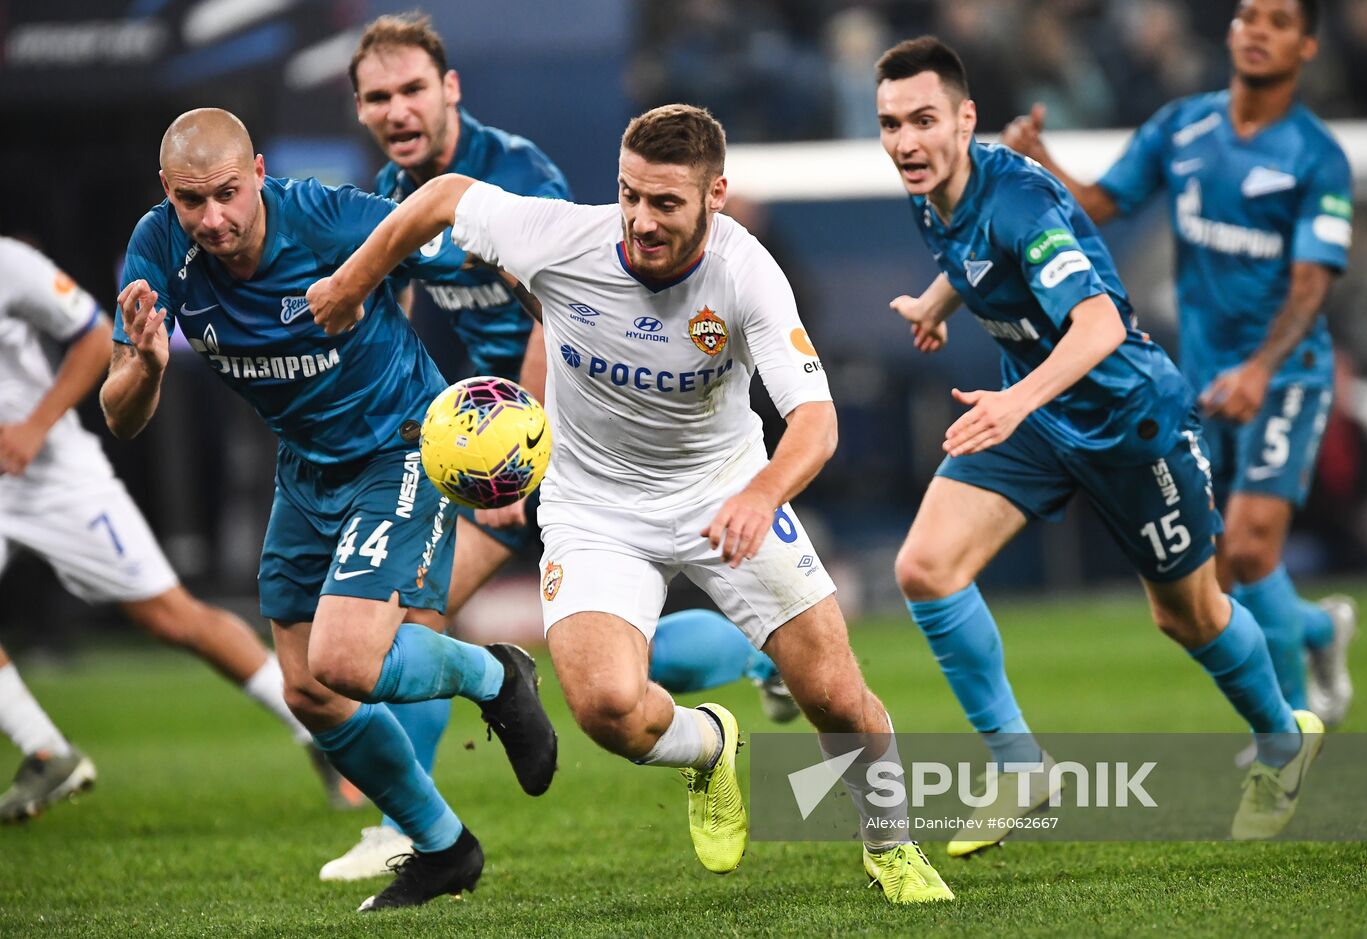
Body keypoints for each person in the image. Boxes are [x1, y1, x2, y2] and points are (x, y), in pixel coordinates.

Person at [309, 103, 954, 904]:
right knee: (608, 707)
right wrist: (352, 280)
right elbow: (441, 196)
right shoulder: (562, 236)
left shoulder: (746, 273)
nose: (641, 221)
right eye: (630, 196)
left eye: (666, 204)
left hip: (727, 495)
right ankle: (710, 746)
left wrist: (760, 494)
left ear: (715, 195)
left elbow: (817, 425)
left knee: (833, 694)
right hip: (594, 511)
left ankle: (888, 843)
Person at [319, 14, 797, 883]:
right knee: (594, 660)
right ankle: (762, 658)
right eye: (379, 96)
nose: (397, 110)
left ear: (450, 88)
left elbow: (561, 307)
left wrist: (523, 445)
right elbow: (409, 303)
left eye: (413, 90)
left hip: (542, 438)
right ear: (358, 107)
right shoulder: (393, 188)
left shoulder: (512, 175)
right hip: (476, 437)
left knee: (422, 618)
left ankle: (411, 824)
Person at [873, 35, 1323, 854]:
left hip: (1129, 419)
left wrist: (1014, 400)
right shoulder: (931, 188)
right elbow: (972, 256)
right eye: (891, 123)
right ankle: (1019, 764)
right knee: (925, 568)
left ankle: (1283, 739)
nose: (905, 141)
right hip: (1041, 417)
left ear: (966, 119)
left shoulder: (1019, 201)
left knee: (1188, 617)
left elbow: (1101, 323)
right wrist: (938, 302)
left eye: (924, 120)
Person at [98, 108, 557, 911]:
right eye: (192, 202)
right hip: (306, 467)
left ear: (261, 173)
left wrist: (552, 304)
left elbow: (451, 221)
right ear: (166, 195)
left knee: (346, 661)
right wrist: (145, 366)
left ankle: (496, 674)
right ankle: (444, 846)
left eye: (229, 194)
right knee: (307, 687)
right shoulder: (156, 249)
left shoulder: (325, 217)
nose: (213, 219)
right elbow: (119, 413)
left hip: (402, 445)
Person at [1000, 0, 1356, 730]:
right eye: (1248, 15)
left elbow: (1313, 280)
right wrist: (1047, 164)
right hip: (1198, 375)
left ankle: (1291, 730)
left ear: (1308, 45)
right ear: (1229, 31)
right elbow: (1100, 202)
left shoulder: (1318, 157)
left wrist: (1261, 368)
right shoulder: (1182, 125)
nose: (1257, 29)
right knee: (1218, 571)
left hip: (1284, 374)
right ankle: (1319, 630)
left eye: (1279, 20)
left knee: (1253, 550)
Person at [0, 236, 357, 821]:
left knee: (171, 616)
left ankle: (316, 732)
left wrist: (36, 427)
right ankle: (47, 751)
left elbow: (93, 336)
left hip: (48, 473)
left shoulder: (8, 263)